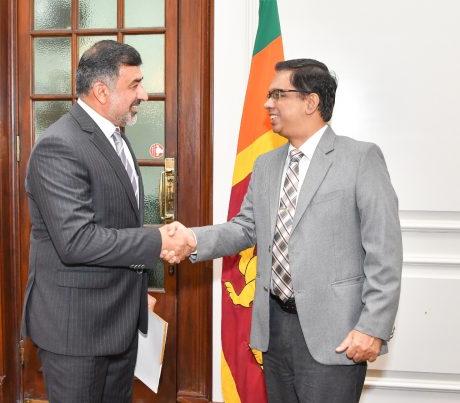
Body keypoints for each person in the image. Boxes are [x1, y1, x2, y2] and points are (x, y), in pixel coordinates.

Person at [163, 59, 402, 403]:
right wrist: (192, 239)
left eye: (278, 94)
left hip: (336, 333)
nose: (267, 104)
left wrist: (372, 327)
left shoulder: (360, 159)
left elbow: (385, 251)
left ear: (310, 102)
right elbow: (246, 228)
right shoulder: (266, 164)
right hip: (274, 328)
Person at [21, 40, 193, 403]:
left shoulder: (117, 140)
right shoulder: (59, 146)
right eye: (135, 84)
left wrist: (135, 294)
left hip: (119, 323)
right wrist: (159, 241)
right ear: (101, 91)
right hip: (76, 331)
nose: (144, 94)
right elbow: (77, 241)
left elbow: (118, 226)